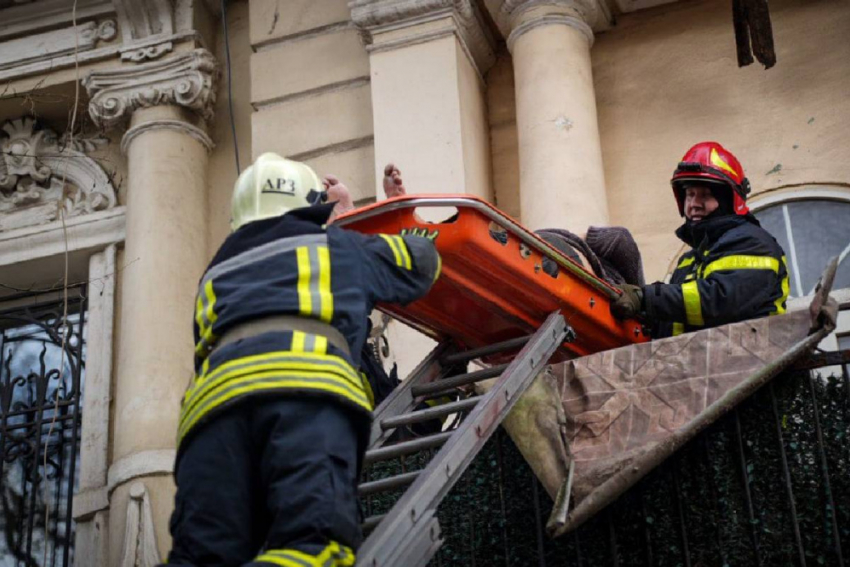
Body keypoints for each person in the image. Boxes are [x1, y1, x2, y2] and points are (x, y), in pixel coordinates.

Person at [166, 153, 441, 567]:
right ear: (309, 206)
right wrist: (354, 221)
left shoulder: (214, 274)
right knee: (313, 546)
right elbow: (423, 262)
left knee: (205, 556)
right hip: (304, 400)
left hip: (210, 417)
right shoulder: (339, 248)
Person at [611, 141, 789, 338]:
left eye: (704, 195)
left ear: (728, 201)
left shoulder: (754, 243)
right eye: (689, 195)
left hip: (751, 363)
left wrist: (646, 298)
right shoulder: (690, 260)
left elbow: (719, 301)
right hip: (702, 364)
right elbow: (676, 320)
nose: (693, 204)